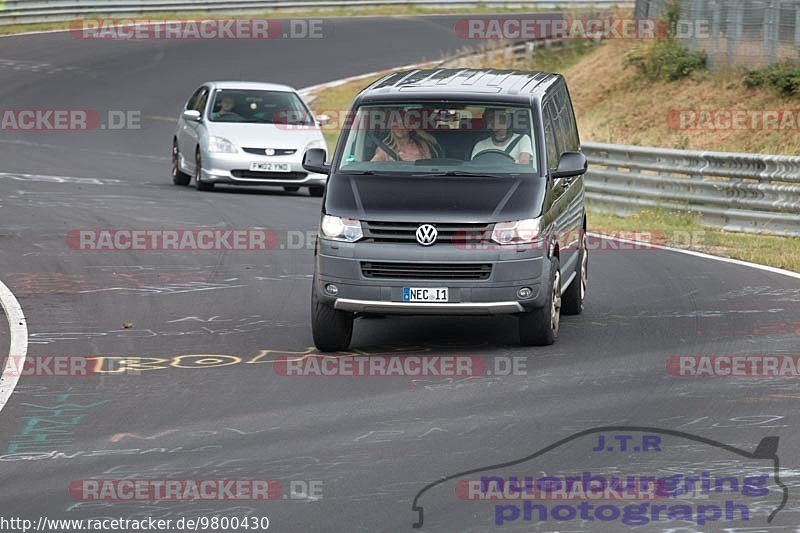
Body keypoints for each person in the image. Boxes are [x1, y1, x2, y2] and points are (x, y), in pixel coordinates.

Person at [372, 109, 441, 162]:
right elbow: (371, 167)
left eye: (403, 124)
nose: (399, 128)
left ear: (411, 127)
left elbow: (429, 168)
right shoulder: (385, 149)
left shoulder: (421, 145)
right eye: (395, 124)